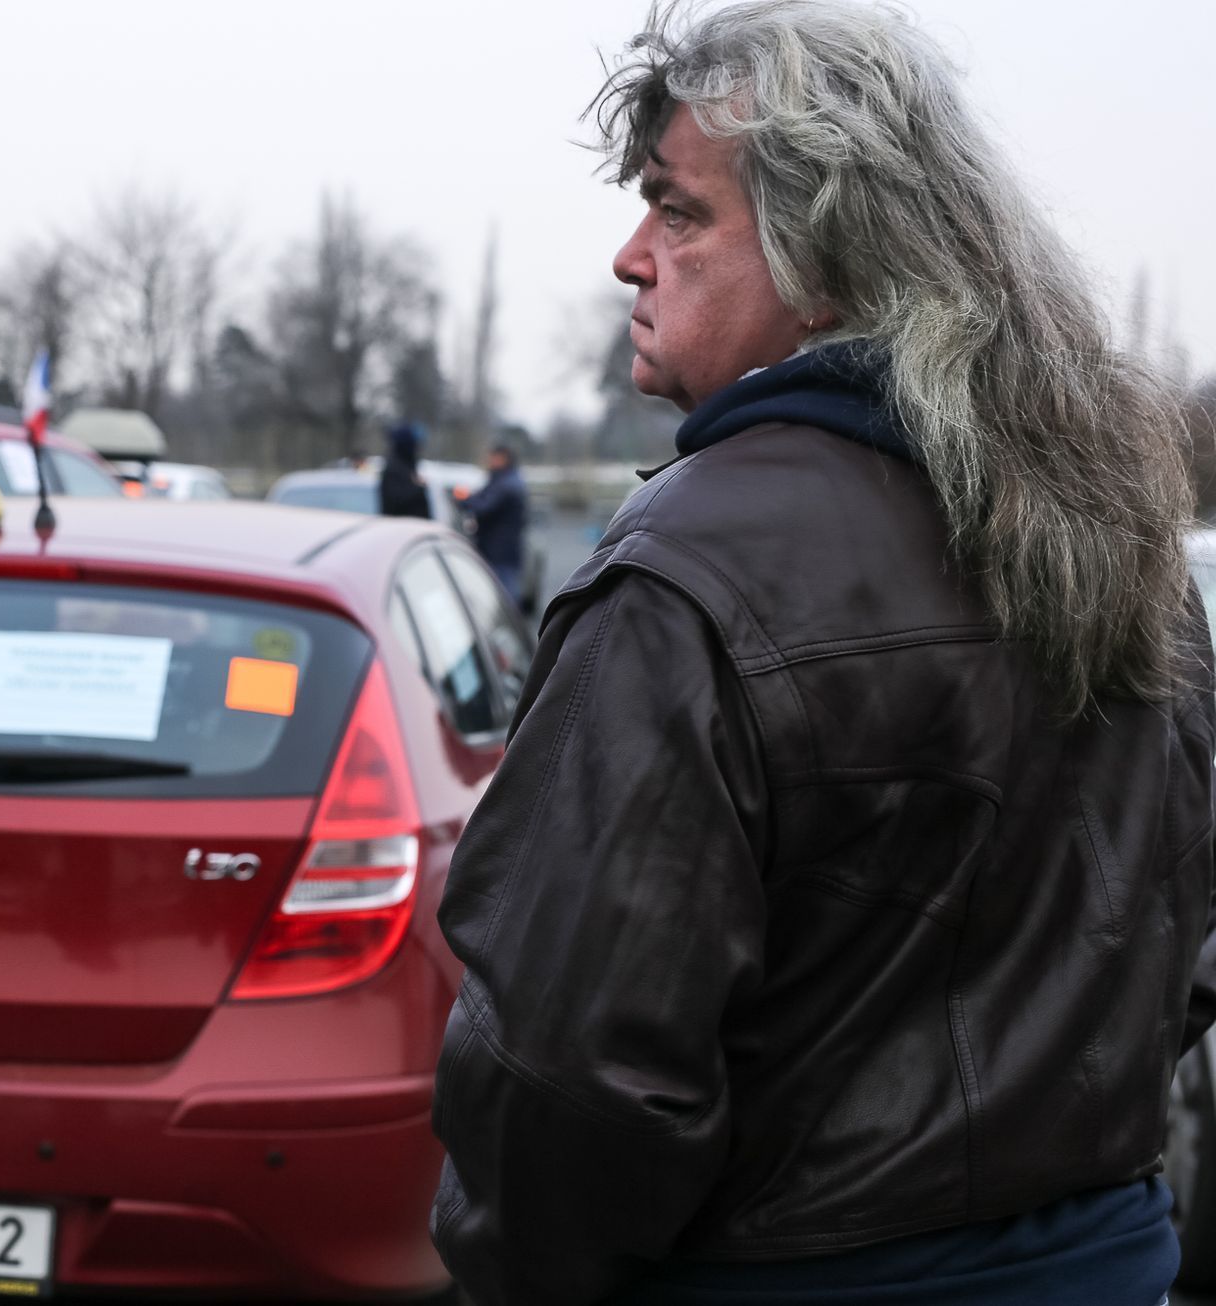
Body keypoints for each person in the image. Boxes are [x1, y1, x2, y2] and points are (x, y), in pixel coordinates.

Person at [429, 5, 1214, 1306]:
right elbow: (1175, 928)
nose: (631, 257)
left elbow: (563, 1080)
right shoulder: (1113, 527)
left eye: (679, 214)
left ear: (832, 257)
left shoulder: (682, 579)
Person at [461, 443, 528, 597]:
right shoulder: (502, 480)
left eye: (492, 457)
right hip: (497, 549)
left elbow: (484, 506)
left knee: (504, 596)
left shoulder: (507, 484)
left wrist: (463, 500)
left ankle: (509, 621)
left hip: (500, 551)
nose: (488, 460)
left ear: (502, 458)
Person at [378, 421, 430, 518]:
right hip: (402, 527)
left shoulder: (405, 466)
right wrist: (418, 487)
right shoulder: (395, 468)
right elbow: (396, 500)